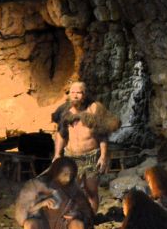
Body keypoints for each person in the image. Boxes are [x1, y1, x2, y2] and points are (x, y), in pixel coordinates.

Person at [51, 80, 120, 213]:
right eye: (72, 92)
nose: (75, 96)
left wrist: (103, 156)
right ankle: (73, 217)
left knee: (91, 189)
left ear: (85, 94)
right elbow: (61, 134)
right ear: (69, 94)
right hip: (71, 156)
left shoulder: (94, 109)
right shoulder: (65, 110)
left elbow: (103, 134)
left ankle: (91, 218)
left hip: (91, 157)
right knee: (69, 189)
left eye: (79, 93)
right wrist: (57, 154)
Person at [13, 157, 94, 229]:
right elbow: (23, 211)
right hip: (43, 225)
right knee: (29, 225)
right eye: (64, 174)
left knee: (78, 225)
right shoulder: (38, 185)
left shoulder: (73, 188)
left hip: (64, 225)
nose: (68, 178)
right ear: (56, 172)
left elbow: (86, 209)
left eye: (70, 174)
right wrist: (42, 203)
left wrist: (76, 214)